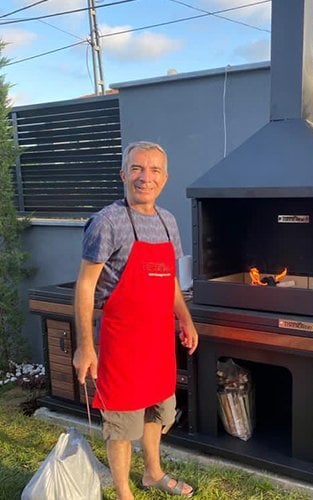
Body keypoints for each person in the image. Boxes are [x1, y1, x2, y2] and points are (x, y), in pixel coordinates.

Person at [73, 141, 198, 499]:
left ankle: (152, 473)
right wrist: (85, 346)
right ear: (123, 174)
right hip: (122, 342)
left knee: (158, 409)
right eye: (137, 168)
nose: (146, 177)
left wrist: (185, 320)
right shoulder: (106, 222)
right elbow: (85, 286)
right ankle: (124, 492)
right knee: (122, 425)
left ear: (165, 178)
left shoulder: (168, 221)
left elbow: (170, 281)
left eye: (154, 170)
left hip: (158, 340)